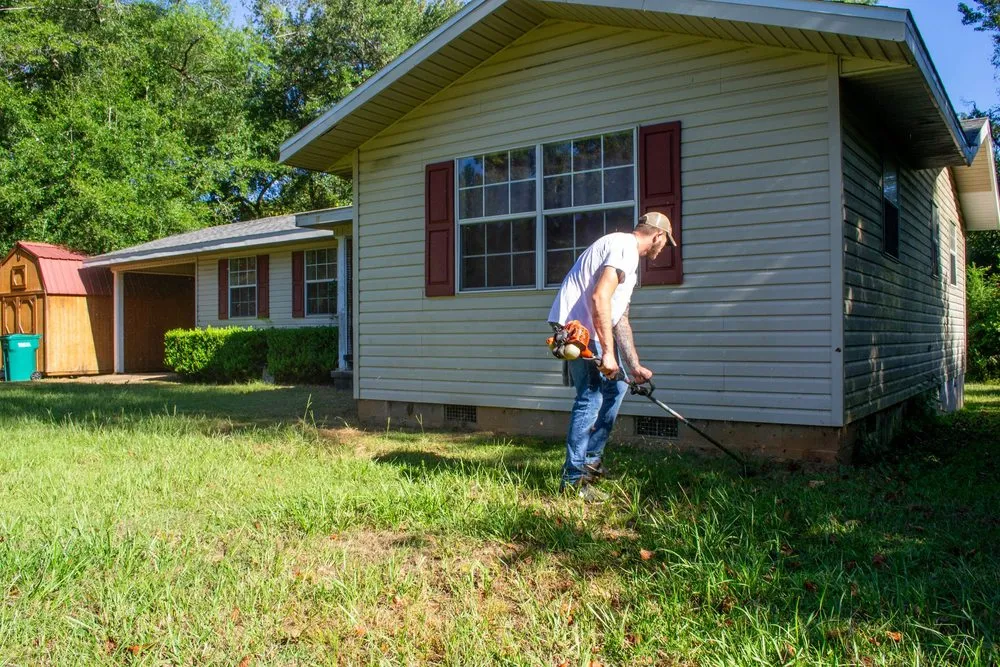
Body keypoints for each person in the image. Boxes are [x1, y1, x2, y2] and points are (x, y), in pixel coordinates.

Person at [547, 211, 677, 500]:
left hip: (595, 328)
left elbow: (619, 319)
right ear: (657, 235)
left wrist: (634, 366)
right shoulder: (624, 247)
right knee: (590, 397)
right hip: (578, 328)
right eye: (665, 243)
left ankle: (591, 462)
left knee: (617, 386)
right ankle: (573, 481)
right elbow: (599, 297)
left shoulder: (627, 263)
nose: (663, 249)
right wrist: (607, 353)